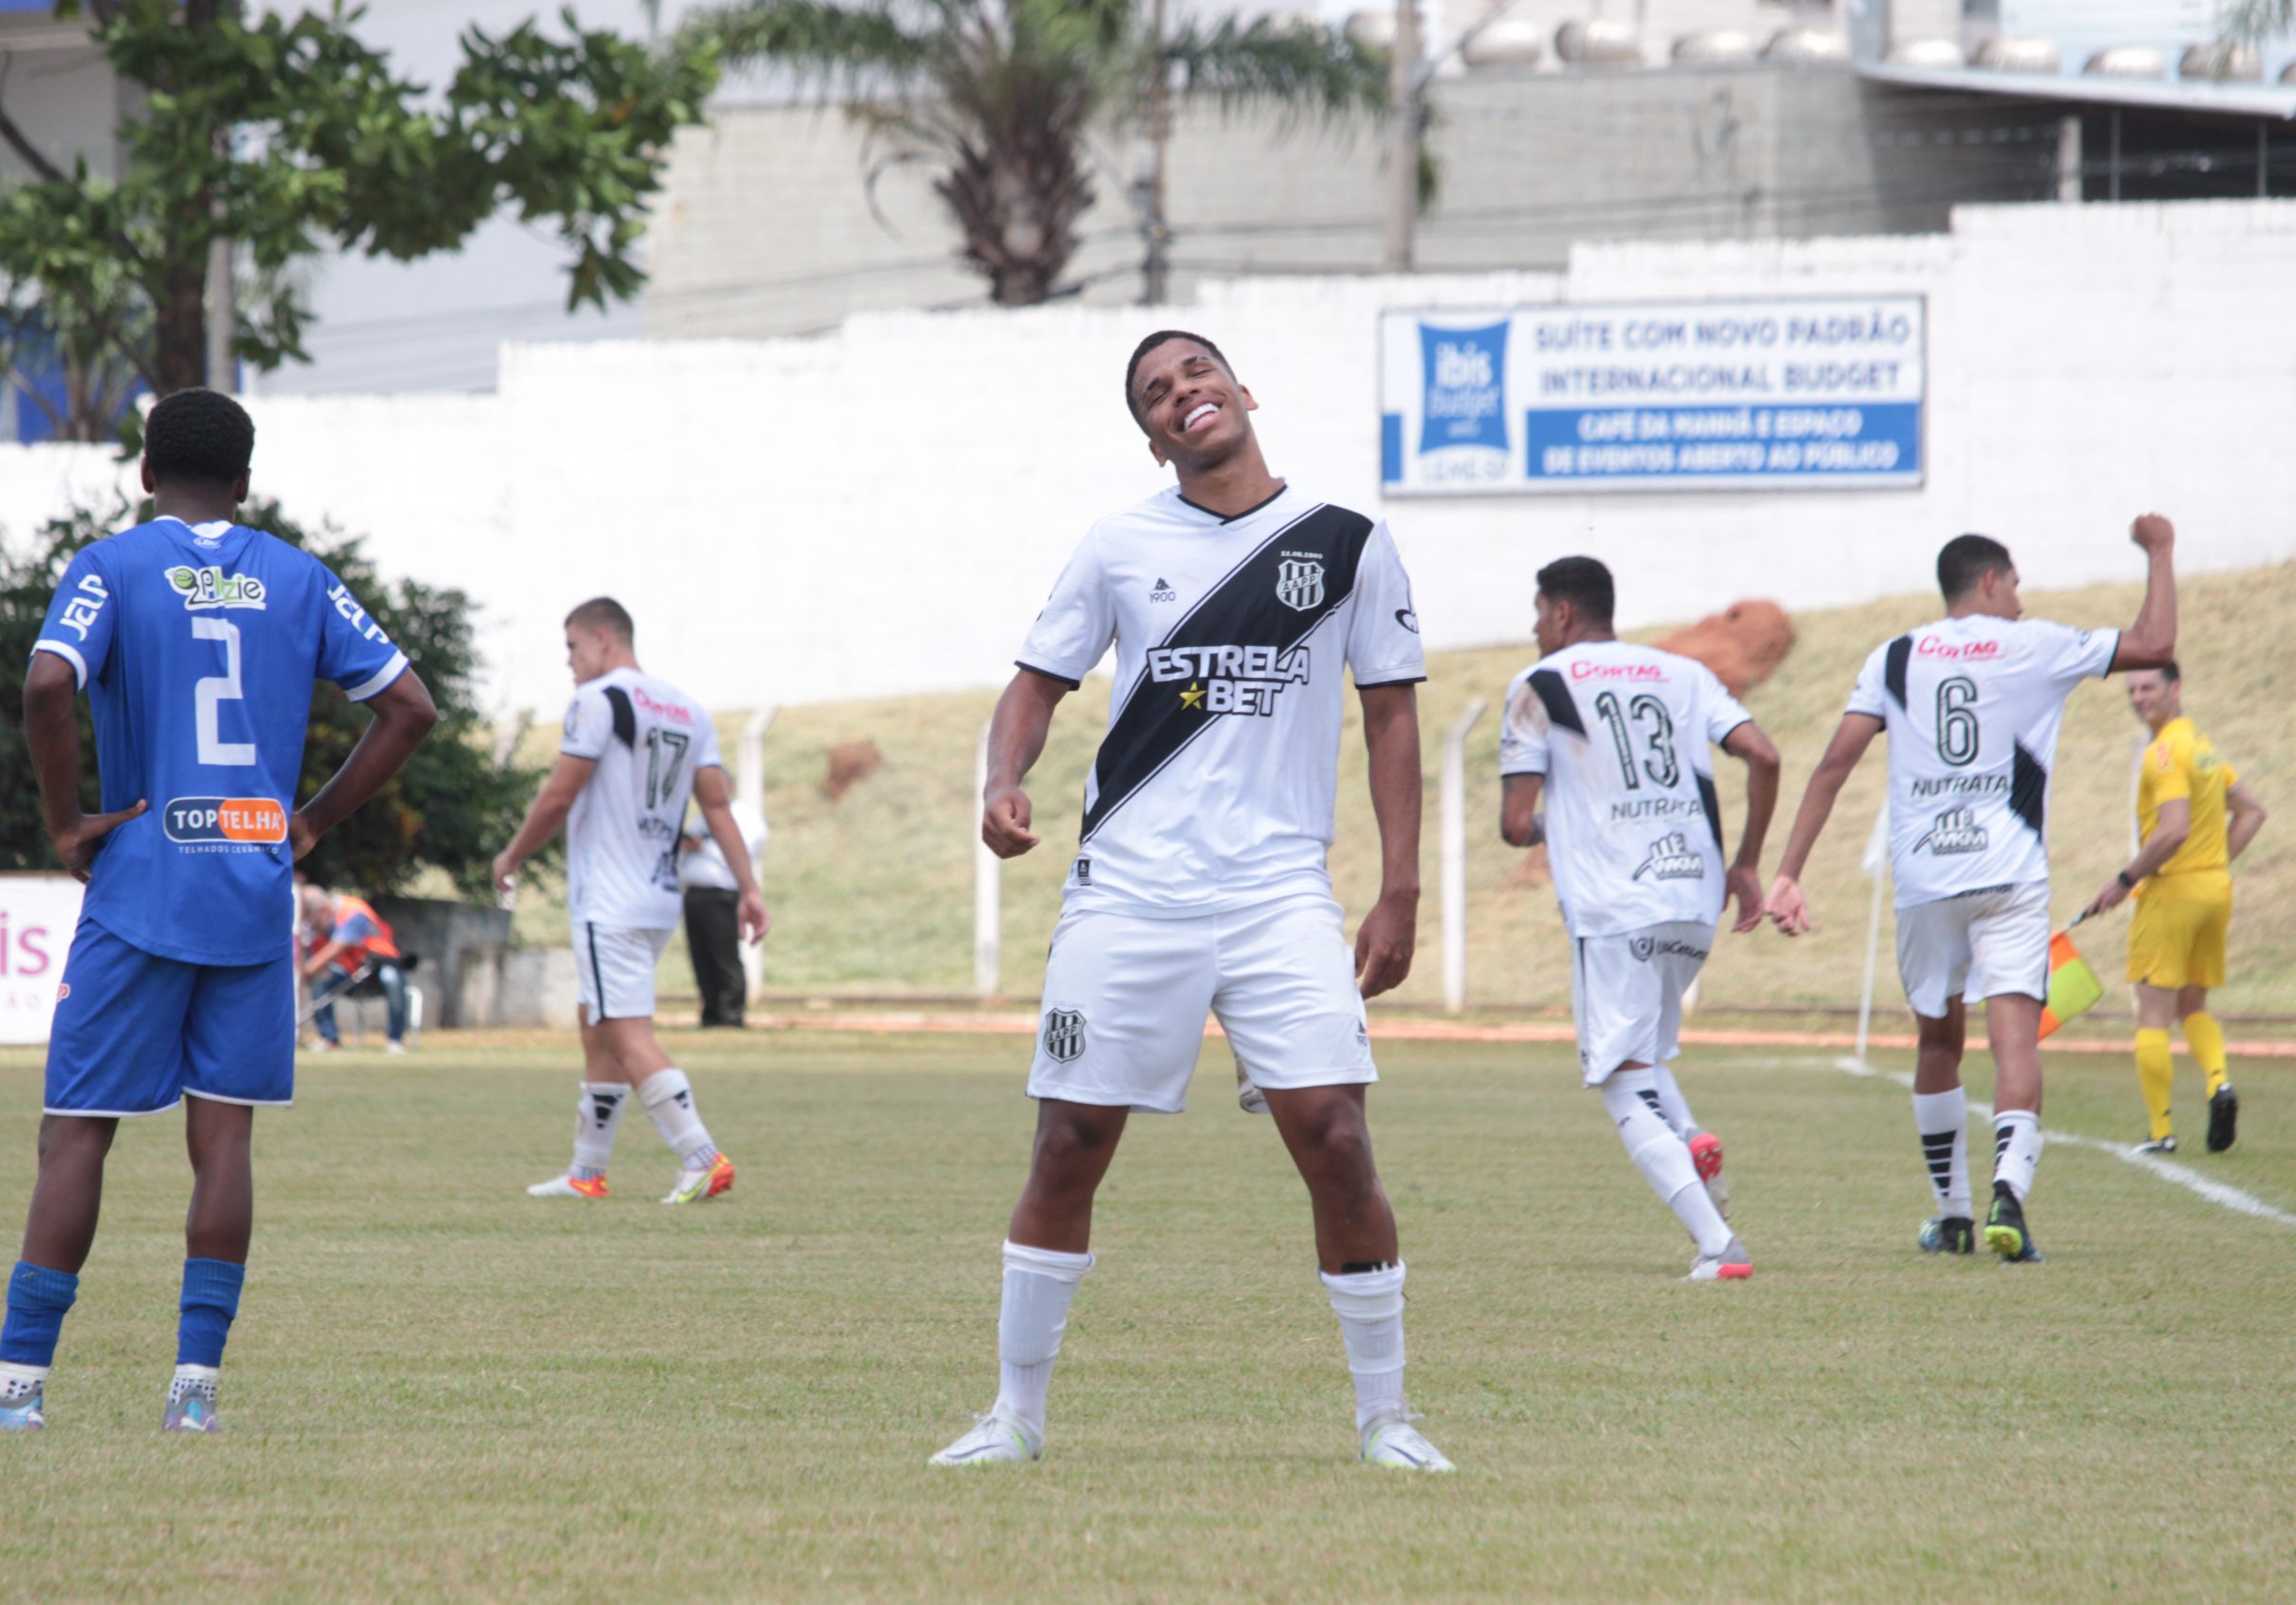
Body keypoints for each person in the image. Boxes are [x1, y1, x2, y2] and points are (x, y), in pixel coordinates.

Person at [929, 331, 1449, 1473]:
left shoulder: (1347, 543)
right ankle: (1013, 1418)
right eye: (1156, 394)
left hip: (1276, 891)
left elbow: (1394, 716)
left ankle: (1388, 1420)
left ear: (1243, 390)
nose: (1182, 396)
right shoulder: (1118, 544)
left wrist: (1399, 887)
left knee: (1338, 1136)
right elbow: (1035, 687)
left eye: (1196, 375)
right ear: (1150, 434)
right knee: (1068, 1141)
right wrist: (1002, 781)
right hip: (1129, 887)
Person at [0, 387, 437, 1433]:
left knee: (77, 1136)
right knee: (224, 1142)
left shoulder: (110, 566)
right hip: (249, 891)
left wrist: (70, 824)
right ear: (244, 485)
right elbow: (410, 707)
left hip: (143, 886)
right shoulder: (299, 578)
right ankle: (192, 1398)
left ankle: (18, 1394)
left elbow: (45, 686)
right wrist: (310, 823)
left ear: (145, 474)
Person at [1765, 517, 2178, 1263]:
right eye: (2014, 584)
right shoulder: (2036, 643)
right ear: (1989, 580)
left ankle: (1951, 1215)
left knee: (1936, 1040)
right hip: (2010, 873)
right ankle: (2008, 1196)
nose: (2021, 600)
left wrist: (1789, 870)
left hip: (1926, 878)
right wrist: (2159, 551)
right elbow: (2156, 643)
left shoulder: (1892, 656)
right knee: (2013, 1035)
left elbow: (1833, 764)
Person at [1497, 557, 1782, 1282]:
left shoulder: (1542, 686)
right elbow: (1764, 754)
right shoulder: (1680, 672)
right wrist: (1745, 864)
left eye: (1537, 613)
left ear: (1562, 612)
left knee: (1619, 1078)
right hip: (1692, 899)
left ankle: (1718, 1245)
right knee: (1645, 1056)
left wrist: (1558, 826)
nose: (1534, 628)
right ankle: (1688, 1133)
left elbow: (1514, 821)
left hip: (1616, 905)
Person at [493, 598, 767, 1205]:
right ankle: (586, 1171)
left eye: (571, 647)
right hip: (659, 897)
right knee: (597, 1023)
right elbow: (717, 807)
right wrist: (749, 887)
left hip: (609, 899)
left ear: (601, 638)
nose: (569, 662)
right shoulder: (689, 709)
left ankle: (701, 1156)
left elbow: (561, 794)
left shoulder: (596, 701)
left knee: (625, 1030)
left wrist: (511, 856)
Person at [2081, 662, 2266, 1154]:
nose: (2139, 697)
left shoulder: (2163, 752)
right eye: (2133, 689)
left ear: (2175, 688)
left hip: (2173, 893)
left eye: (2148, 688)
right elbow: (2252, 810)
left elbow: (2173, 829)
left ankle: (2161, 1132)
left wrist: (2125, 879)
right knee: (2193, 1005)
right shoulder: (2200, 746)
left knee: (2153, 1012)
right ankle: (2219, 1083)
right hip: (2213, 891)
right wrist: (2216, 862)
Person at [676, 768, 767, 1027]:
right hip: (695, 892)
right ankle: (711, 1011)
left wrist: (704, 846)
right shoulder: (701, 818)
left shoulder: (744, 816)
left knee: (724, 955)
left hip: (721, 892)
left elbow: (743, 849)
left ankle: (731, 1014)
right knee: (701, 957)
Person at [297, 878, 411, 1053]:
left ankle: (395, 1040)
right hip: (351, 972)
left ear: (323, 911)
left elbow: (336, 948)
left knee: (392, 978)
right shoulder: (320, 923)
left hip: (378, 966)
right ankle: (329, 1038)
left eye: (313, 921)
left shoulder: (352, 911)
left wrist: (301, 975)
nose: (313, 927)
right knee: (322, 979)